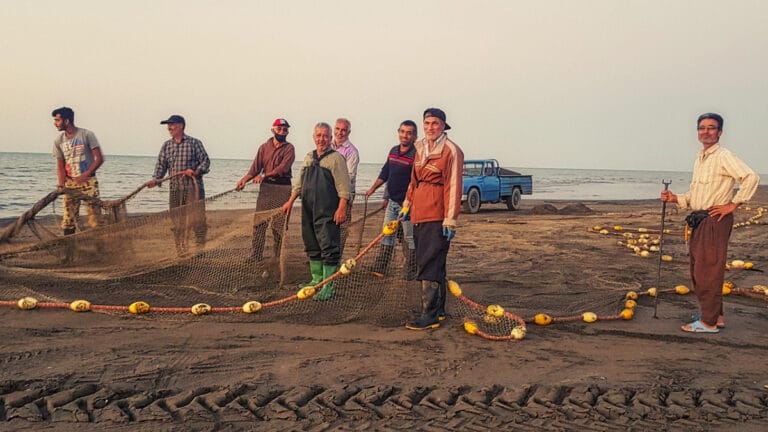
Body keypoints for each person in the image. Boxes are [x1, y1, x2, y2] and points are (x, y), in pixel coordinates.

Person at [661, 112, 759, 334]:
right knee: (700, 269)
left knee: (708, 271)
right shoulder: (702, 157)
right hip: (700, 219)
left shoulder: (723, 155)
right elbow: (699, 194)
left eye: (711, 128)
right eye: (702, 128)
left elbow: (751, 177)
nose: (706, 131)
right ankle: (716, 316)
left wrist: (733, 204)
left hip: (715, 219)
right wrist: (676, 198)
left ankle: (708, 323)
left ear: (720, 132)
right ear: (697, 132)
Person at [401, 108, 464, 330]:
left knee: (430, 260)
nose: (430, 128)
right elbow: (414, 180)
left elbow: (454, 186)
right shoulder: (420, 147)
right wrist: (407, 204)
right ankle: (439, 310)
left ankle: (428, 314)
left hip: (437, 214)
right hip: (419, 211)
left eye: (435, 123)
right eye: (427, 123)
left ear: (443, 125)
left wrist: (450, 219)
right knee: (431, 259)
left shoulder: (451, 151)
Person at [281, 122, 351, 301]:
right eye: (318, 135)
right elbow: (299, 182)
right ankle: (316, 279)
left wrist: (341, 208)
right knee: (311, 243)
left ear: (330, 138)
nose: (322, 139)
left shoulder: (336, 159)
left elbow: (344, 187)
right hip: (308, 208)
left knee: (328, 245)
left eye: (325, 136)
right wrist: (290, 201)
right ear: (314, 137)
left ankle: (328, 285)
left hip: (328, 210)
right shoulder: (309, 157)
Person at [147, 115, 211, 256]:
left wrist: (195, 171)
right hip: (175, 189)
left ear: (181, 126)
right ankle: (181, 251)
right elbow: (161, 165)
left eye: (172, 124)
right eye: (168, 125)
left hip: (193, 189)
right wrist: (156, 179)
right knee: (177, 221)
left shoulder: (194, 143)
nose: (169, 128)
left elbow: (206, 162)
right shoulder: (167, 146)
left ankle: (200, 251)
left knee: (197, 220)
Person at [236, 118, 296, 264]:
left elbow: (283, 168)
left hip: (283, 188)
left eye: (285, 129)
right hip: (266, 188)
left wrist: (264, 175)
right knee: (259, 222)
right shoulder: (264, 147)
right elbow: (255, 168)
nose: (283, 131)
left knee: (279, 224)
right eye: (279, 129)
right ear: (273, 130)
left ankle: (277, 256)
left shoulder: (290, 148)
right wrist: (244, 180)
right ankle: (256, 255)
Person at [364, 120, 418, 279]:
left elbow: (416, 181)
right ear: (398, 132)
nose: (405, 135)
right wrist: (373, 189)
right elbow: (386, 173)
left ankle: (412, 269)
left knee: (409, 237)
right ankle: (381, 267)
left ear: (414, 136)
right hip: (393, 202)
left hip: (408, 205)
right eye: (402, 132)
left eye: (409, 133)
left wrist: (410, 203)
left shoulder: (416, 155)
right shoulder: (394, 151)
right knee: (387, 233)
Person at [52, 107, 104, 236]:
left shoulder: (86, 135)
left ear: (67, 121)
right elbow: (60, 165)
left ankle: (99, 248)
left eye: (57, 120)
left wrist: (86, 174)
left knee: (94, 218)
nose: (55, 123)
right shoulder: (59, 141)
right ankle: (69, 248)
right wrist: (61, 185)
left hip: (89, 182)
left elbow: (99, 158)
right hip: (70, 183)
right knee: (68, 219)